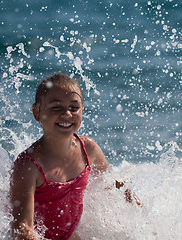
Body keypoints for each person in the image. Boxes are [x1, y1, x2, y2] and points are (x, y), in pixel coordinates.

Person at [10, 73, 140, 240]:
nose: (67, 114)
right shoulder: (28, 167)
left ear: (82, 110)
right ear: (37, 112)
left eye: (74, 107)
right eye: (56, 107)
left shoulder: (88, 149)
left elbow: (112, 182)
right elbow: (22, 229)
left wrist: (136, 207)